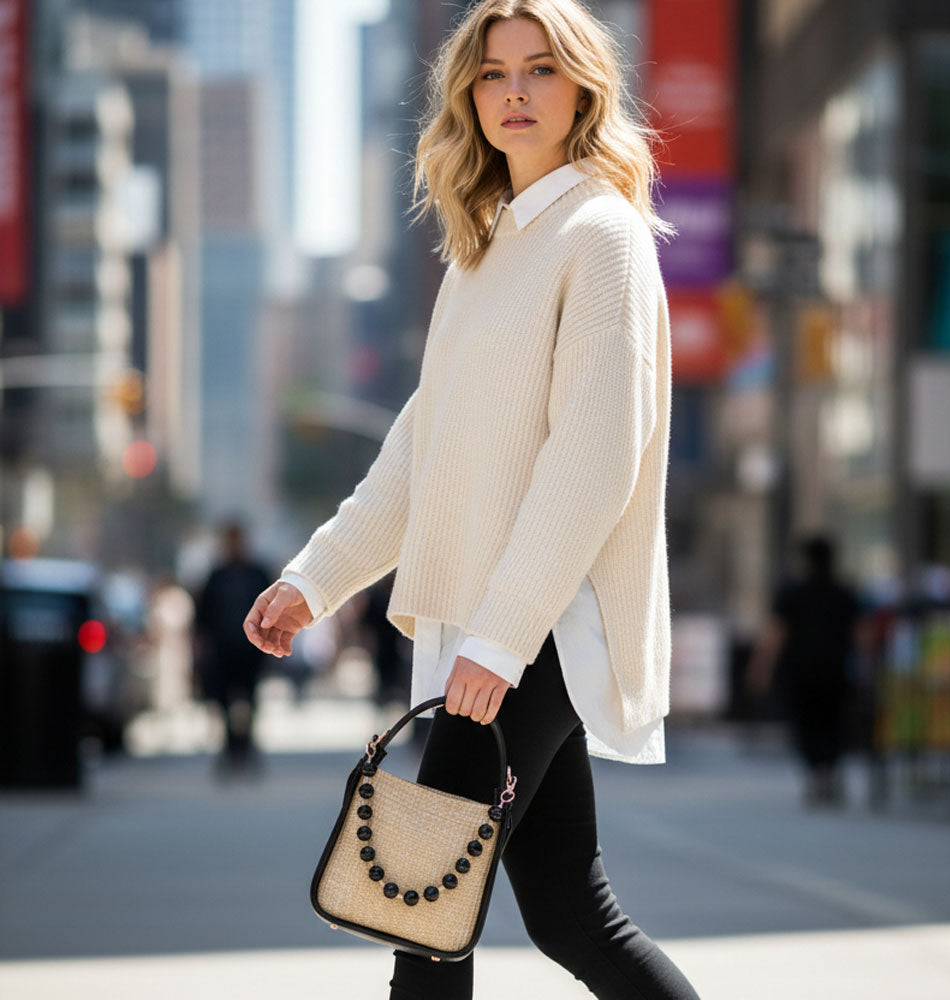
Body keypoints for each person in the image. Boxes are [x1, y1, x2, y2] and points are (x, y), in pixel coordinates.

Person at [244, 2, 700, 996]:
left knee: (422, 908)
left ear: (582, 85)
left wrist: (500, 640)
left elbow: (592, 456)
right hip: (488, 631)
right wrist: (315, 578)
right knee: (571, 913)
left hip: (530, 632)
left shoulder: (601, 235)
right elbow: (423, 452)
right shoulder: (485, 247)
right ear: (469, 98)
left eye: (539, 69)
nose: (515, 93)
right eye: (493, 76)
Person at [746, 534, 866, 806]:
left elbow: (774, 635)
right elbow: (862, 637)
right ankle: (829, 772)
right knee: (834, 723)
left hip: (801, 672)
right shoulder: (844, 593)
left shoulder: (793, 593)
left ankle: (816, 773)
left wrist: (759, 668)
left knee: (806, 724)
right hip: (836, 671)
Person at [196, 521, 271, 776]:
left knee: (250, 700)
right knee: (225, 701)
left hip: (252, 652)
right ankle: (230, 749)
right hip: (223, 651)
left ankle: (247, 746)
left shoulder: (257, 573)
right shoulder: (216, 576)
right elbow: (203, 616)